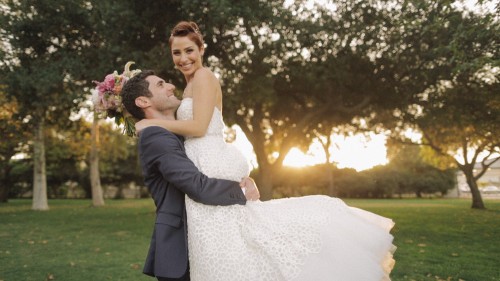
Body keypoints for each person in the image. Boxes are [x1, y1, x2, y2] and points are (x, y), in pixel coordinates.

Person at [133, 21, 396, 281]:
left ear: (201, 50)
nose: (183, 58)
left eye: (189, 50)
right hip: (205, 164)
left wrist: (150, 122)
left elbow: (200, 127)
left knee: (230, 241)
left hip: (210, 159)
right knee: (235, 242)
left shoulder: (204, 77)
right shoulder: (189, 86)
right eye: (176, 53)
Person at [119, 69, 260, 281]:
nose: (170, 86)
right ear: (143, 101)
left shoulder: (179, 134)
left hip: (207, 239)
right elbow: (197, 185)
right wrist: (240, 191)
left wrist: (242, 178)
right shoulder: (155, 137)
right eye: (160, 85)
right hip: (180, 250)